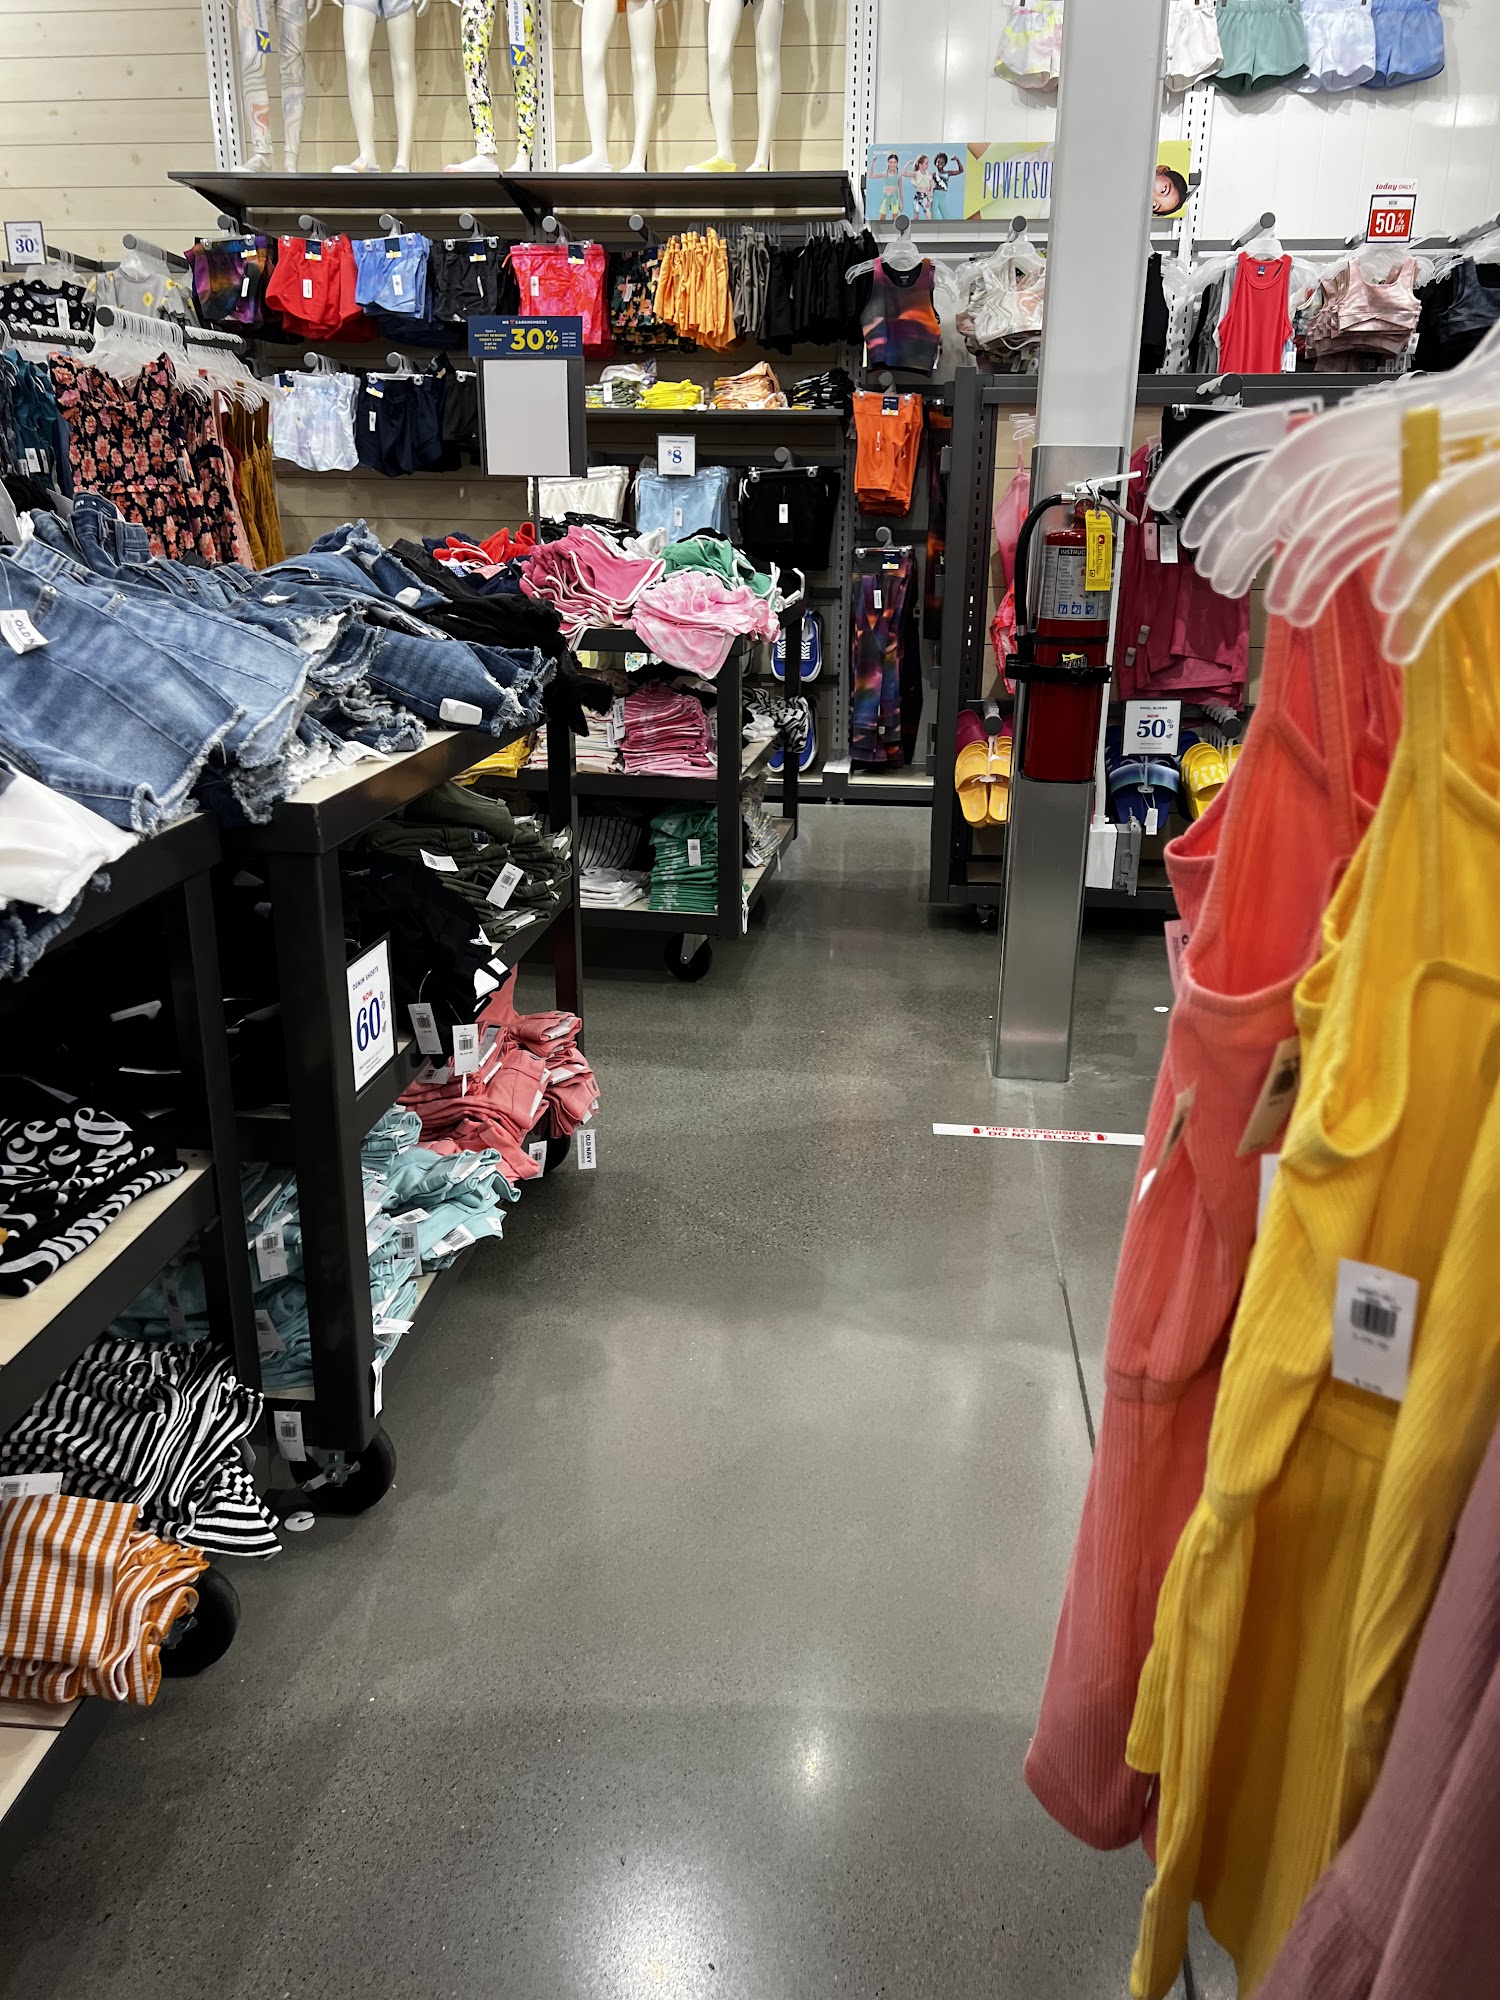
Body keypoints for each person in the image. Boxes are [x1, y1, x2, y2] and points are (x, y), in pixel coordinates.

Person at [877, 151, 906, 222]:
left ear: (897, 163)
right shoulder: (884, 174)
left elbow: (900, 191)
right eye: (890, 162)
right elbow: (870, 175)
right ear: (887, 163)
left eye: (894, 162)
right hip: (885, 198)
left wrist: (902, 204)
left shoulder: (899, 176)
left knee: (895, 219)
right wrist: (872, 163)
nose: (892, 164)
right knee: (882, 218)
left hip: (895, 198)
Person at [930, 150, 958, 221]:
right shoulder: (933, 174)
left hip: (943, 198)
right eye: (938, 162)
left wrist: (957, 160)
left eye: (942, 162)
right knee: (933, 216)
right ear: (935, 163)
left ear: (945, 163)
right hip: (935, 196)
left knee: (947, 217)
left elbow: (961, 170)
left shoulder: (947, 173)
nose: (940, 164)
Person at [910, 154, 934, 220]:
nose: (927, 165)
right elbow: (903, 173)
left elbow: (931, 187)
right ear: (920, 165)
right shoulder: (916, 174)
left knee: (928, 216)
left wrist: (930, 200)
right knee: (916, 216)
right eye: (926, 163)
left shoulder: (929, 174)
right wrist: (909, 163)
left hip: (925, 197)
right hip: (917, 197)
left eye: (928, 163)